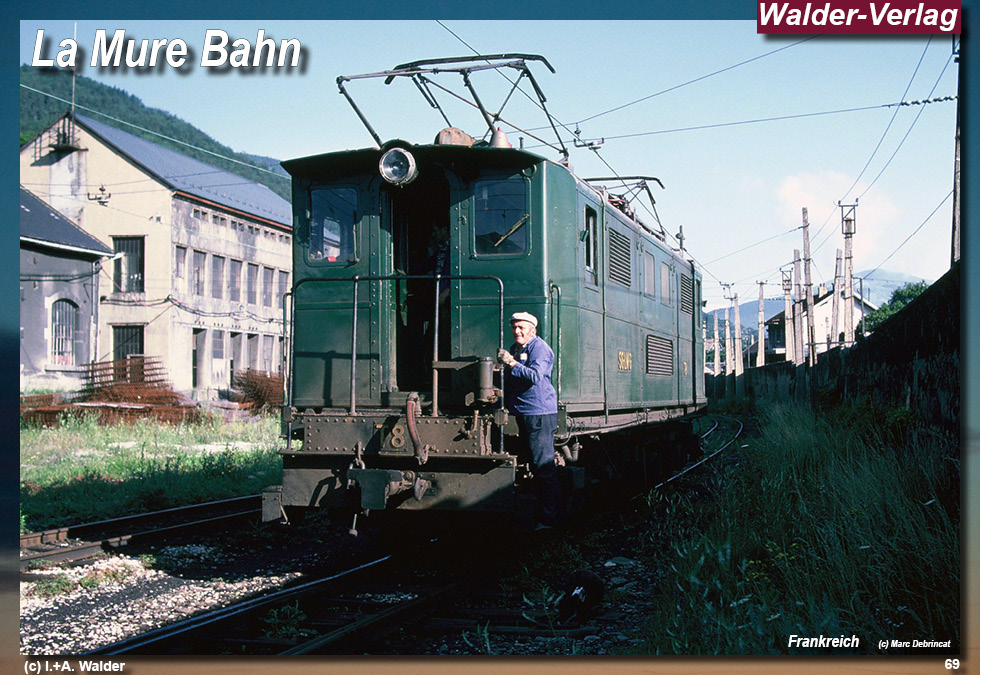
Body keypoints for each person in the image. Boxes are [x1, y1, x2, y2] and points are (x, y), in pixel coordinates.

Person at [498, 311, 561, 529]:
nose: (517, 331)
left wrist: (511, 363)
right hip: (524, 412)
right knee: (532, 465)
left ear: (532, 330)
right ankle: (535, 514)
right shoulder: (517, 348)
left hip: (539, 413)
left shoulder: (539, 348)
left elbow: (535, 376)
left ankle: (548, 519)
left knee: (543, 467)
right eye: (514, 327)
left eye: (521, 327)